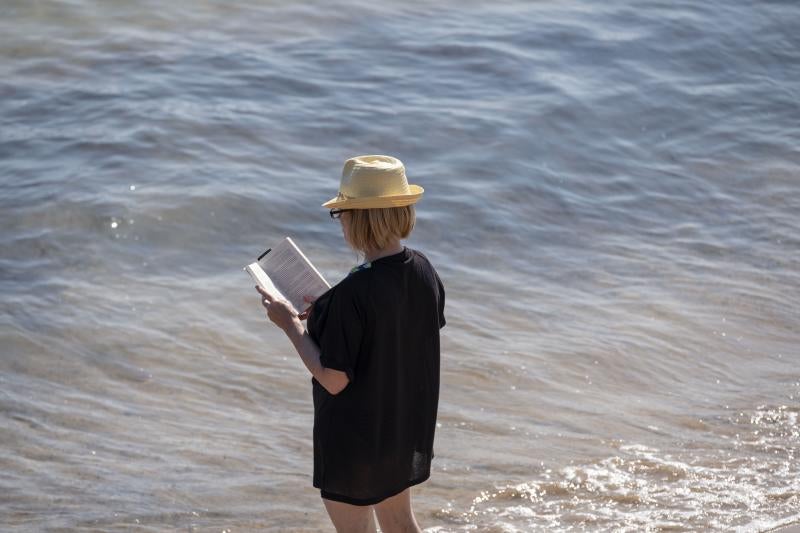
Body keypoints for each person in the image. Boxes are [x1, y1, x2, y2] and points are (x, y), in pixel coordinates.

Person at [255, 154, 446, 533]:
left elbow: (333, 379)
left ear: (358, 219)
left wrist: (290, 325)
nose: (340, 222)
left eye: (341, 213)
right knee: (401, 525)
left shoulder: (353, 293)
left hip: (354, 440)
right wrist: (327, 312)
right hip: (401, 429)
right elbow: (396, 332)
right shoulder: (424, 269)